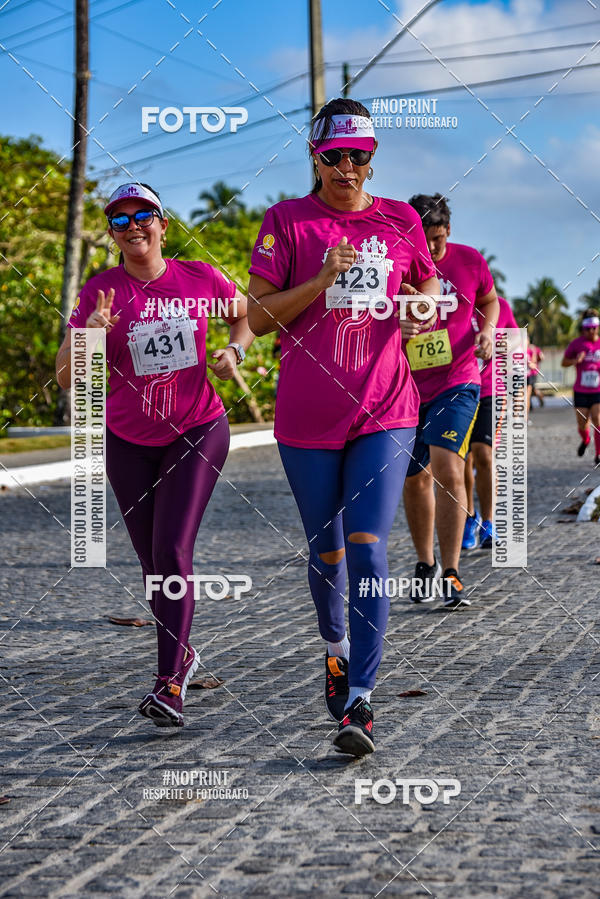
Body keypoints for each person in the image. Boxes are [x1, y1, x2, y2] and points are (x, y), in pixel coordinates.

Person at [247, 98, 439, 757]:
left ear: (373, 157)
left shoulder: (400, 220)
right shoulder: (287, 223)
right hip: (306, 418)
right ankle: (336, 648)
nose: (349, 167)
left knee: (367, 546)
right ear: (315, 155)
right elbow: (261, 316)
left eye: (360, 156)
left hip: (386, 408)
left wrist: (418, 312)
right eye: (336, 156)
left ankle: (360, 698)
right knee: (325, 550)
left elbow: (428, 291)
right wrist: (323, 277)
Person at [55, 182, 254, 727]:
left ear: (164, 224)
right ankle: (183, 653)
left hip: (197, 428)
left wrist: (233, 349)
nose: (134, 226)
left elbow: (246, 314)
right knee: (151, 566)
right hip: (127, 441)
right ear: (113, 234)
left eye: (144, 215)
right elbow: (67, 377)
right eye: (121, 220)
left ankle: (169, 684)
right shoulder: (100, 291)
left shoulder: (199, 278)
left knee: (171, 550)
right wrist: (88, 339)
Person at [401, 193, 499, 606]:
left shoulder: (470, 260)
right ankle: (426, 564)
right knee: (414, 477)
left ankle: (453, 571)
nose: (434, 250)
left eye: (439, 240)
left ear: (449, 232)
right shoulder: (398, 263)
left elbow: (489, 301)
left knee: (448, 467)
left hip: (458, 380)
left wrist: (487, 330)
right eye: (426, 241)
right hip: (405, 384)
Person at [463, 296, 519, 550]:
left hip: (490, 389)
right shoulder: (451, 303)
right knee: (460, 460)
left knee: (484, 455)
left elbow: (517, 339)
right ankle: (468, 516)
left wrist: (507, 344)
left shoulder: (501, 306)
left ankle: (489, 522)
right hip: (457, 390)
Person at [561, 309, 600, 464]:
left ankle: (598, 454)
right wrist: (575, 360)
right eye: (587, 329)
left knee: (598, 420)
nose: (591, 331)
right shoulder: (576, 344)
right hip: (581, 391)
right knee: (582, 424)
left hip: (598, 390)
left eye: (594, 328)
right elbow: (563, 362)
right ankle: (585, 440)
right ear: (583, 329)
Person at [526, 336, 545, 415]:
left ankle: (540, 397)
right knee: (530, 391)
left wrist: (534, 357)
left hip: (532, 373)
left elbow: (542, 357)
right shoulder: (519, 348)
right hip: (523, 374)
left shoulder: (533, 348)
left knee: (532, 390)